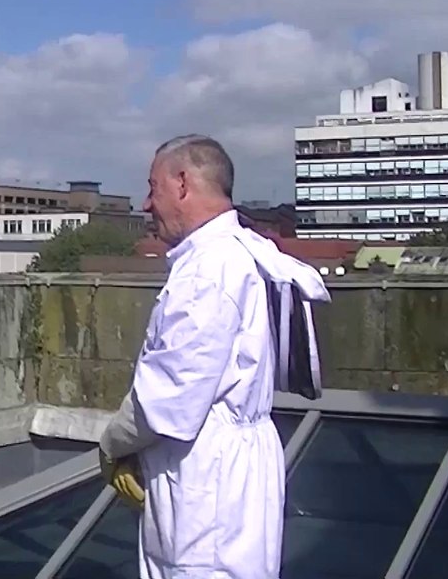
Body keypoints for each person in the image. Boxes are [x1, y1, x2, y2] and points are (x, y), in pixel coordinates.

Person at [96, 135, 329, 579]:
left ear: (182, 184)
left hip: (207, 479)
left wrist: (111, 445)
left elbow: (167, 400)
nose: (148, 204)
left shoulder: (208, 271)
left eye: (153, 187)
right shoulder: (244, 251)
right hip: (230, 469)